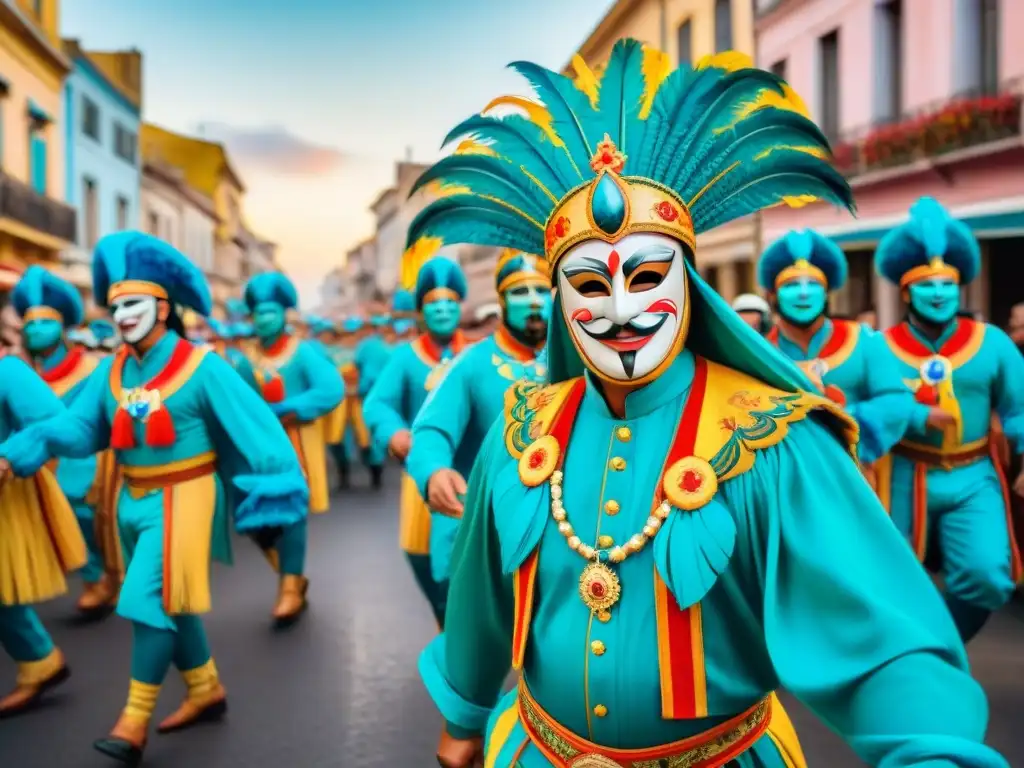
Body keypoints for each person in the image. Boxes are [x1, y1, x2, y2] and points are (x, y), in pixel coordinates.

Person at [408, 41, 1008, 768]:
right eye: (592, 286)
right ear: (562, 304)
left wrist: (929, 749)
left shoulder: (773, 439)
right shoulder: (521, 430)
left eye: (648, 276)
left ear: (689, 285)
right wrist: (466, 713)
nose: (623, 309)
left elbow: (882, 640)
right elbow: (481, 599)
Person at [0, 232, 310, 763]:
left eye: (134, 304)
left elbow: (259, 430)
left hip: (185, 497)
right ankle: (205, 687)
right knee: (176, 604)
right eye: (116, 306)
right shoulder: (113, 370)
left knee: (148, 600)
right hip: (131, 501)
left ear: (164, 308)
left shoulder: (203, 365)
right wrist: (35, 442)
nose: (122, 316)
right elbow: (80, 430)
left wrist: (275, 490)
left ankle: (133, 721)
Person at [874, 196, 1024, 643]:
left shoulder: (993, 343)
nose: (938, 292)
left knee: (987, 578)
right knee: (885, 581)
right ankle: (904, 660)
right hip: (899, 471)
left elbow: (1019, 406)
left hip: (973, 474)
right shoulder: (877, 348)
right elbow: (853, 412)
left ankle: (939, 645)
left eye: (947, 282)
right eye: (926, 284)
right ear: (905, 291)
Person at [406, 246, 550, 606]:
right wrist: (434, 470)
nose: (533, 301)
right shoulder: (472, 363)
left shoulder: (580, 358)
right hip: (492, 526)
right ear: (501, 301)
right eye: (520, 292)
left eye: (541, 291)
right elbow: (432, 428)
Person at [365, 246, 471, 628]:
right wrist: (393, 432)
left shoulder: (477, 356)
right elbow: (378, 404)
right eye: (433, 305)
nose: (442, 311)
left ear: (460, 308)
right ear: (422, 312)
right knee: (420, 554)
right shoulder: (405, 358)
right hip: (421, 472)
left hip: (472, 472)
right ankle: (443, 615)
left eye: (449, 304)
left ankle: (470, 631)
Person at [12, 267, 120, 618]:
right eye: (28, 323)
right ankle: (94, 579)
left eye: (44, 321)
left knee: (94, 517)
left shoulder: (93, 366)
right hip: (45, 463)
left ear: (63, 327)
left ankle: (113, 576)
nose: (35, 329)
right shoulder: (25, 376)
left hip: (93, 458)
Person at [758, 230, 913, 468]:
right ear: (772, 295)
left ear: (827, 292)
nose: (803, 292)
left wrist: (843, 421)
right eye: (791, 285)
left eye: (813, 284)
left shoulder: (864, 341)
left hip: (854, 475)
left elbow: (897, 402)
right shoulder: (759, 352)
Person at [241, 273, 343, 624]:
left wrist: (288, 408)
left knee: (293, 514)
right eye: (257, 313)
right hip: (258, 451)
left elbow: (331, 389)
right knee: (255, 517)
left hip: (298, 443)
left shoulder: (304, 352)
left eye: (270, 311)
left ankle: (288, 587)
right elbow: (234, 401)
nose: (263, 319)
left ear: (285, 313)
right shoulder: (245, 358)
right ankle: (292, 574)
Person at [0, 345, 86, 717]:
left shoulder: (9, 372)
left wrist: (8, 457)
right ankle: (39, 659)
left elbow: (55, 421)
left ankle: (39, 658)